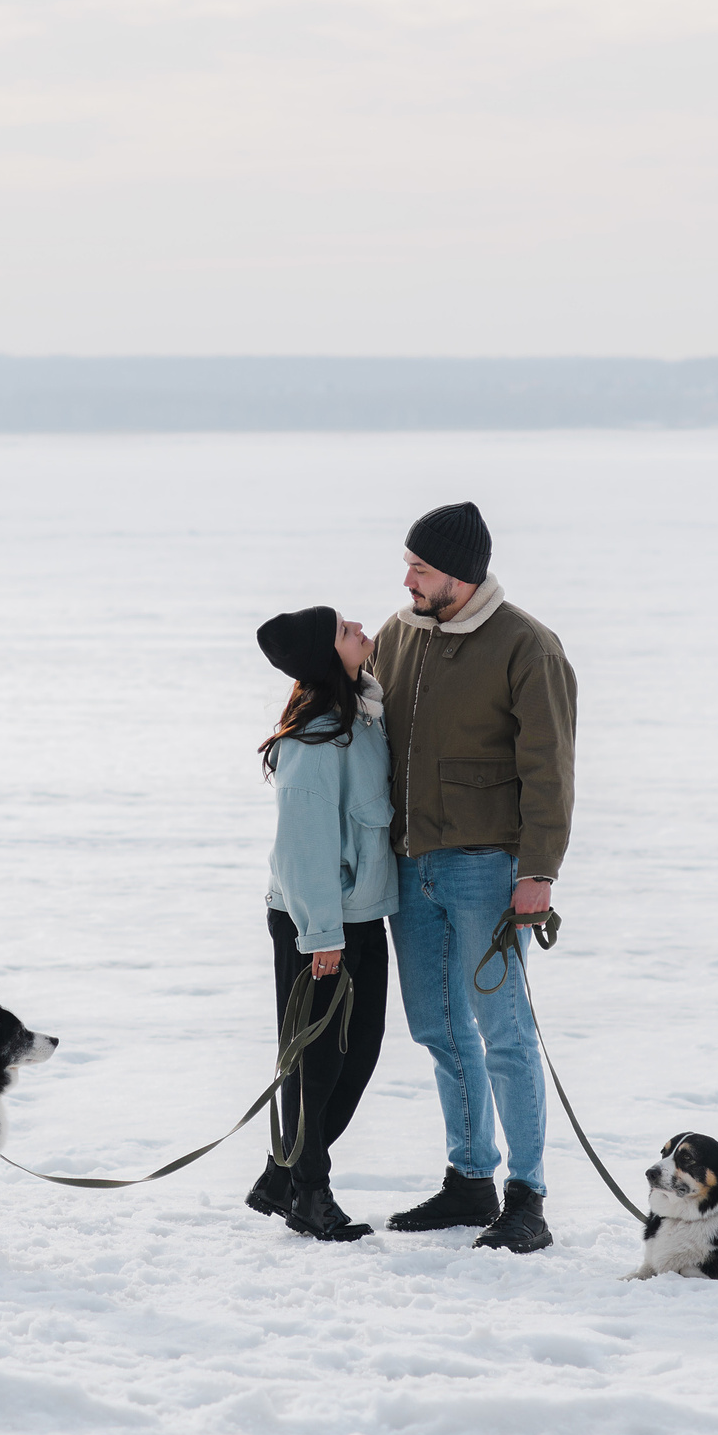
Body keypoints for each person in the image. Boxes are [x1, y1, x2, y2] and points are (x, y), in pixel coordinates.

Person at [372, 502, 577, 1254]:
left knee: (505, 1033)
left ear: (459, 574)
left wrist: (540, 872)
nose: (406, 579)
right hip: (410, 863)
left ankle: (527, 1196)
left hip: (489, 872)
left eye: (419, 568)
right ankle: (470, 1180)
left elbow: (549, 772)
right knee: (437, 1027)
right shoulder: (400, 633)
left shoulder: (529, 647)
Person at [249, 605, 396, 1242]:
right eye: (344, 630)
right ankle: (310, 1192)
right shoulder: (313, 742)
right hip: (321, 926)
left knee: (355, 1057)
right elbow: (303, 849)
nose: (360, 628)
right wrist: (322, 938)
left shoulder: (360, 717)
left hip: (360, 915)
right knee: (319, 1065)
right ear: (326, 657)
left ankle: (283, 1176)